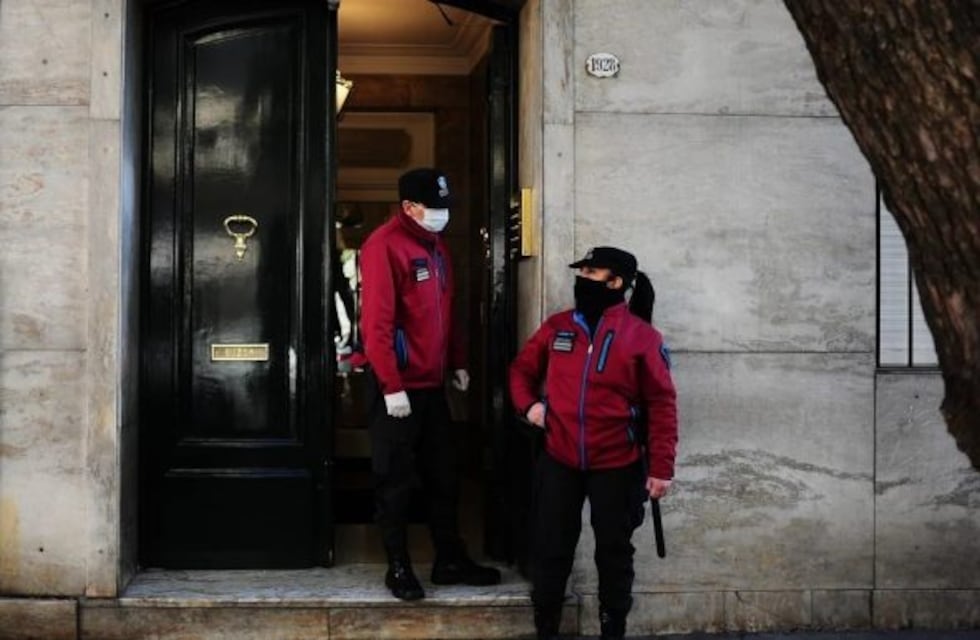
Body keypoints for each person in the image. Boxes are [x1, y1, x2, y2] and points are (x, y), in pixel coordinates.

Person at [509, 246, 678, 640]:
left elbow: (662, 403)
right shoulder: (558, 327)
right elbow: (521, 370)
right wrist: (530, 407)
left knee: (614, 553)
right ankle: (546, 627)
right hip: (559, 457)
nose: (582, 277)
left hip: (617, 463)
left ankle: (612, 627)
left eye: (592, 271)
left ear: (616, 282)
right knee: (551, 548)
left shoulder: (642, 337)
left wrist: (661, 468)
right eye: (581, 270)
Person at [359, 167, 501, 601]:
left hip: (431, 386)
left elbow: (447, 312)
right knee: (395, 478)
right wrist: (390, 385)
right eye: (433, 208)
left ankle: (449, 558)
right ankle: (398, 565)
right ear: (409, 207)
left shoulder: (436, 247)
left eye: (444, 207)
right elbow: (377, 324)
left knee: (444, 475)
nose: (441, 215)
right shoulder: (383, 246)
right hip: (397, 388)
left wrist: (457, 361)